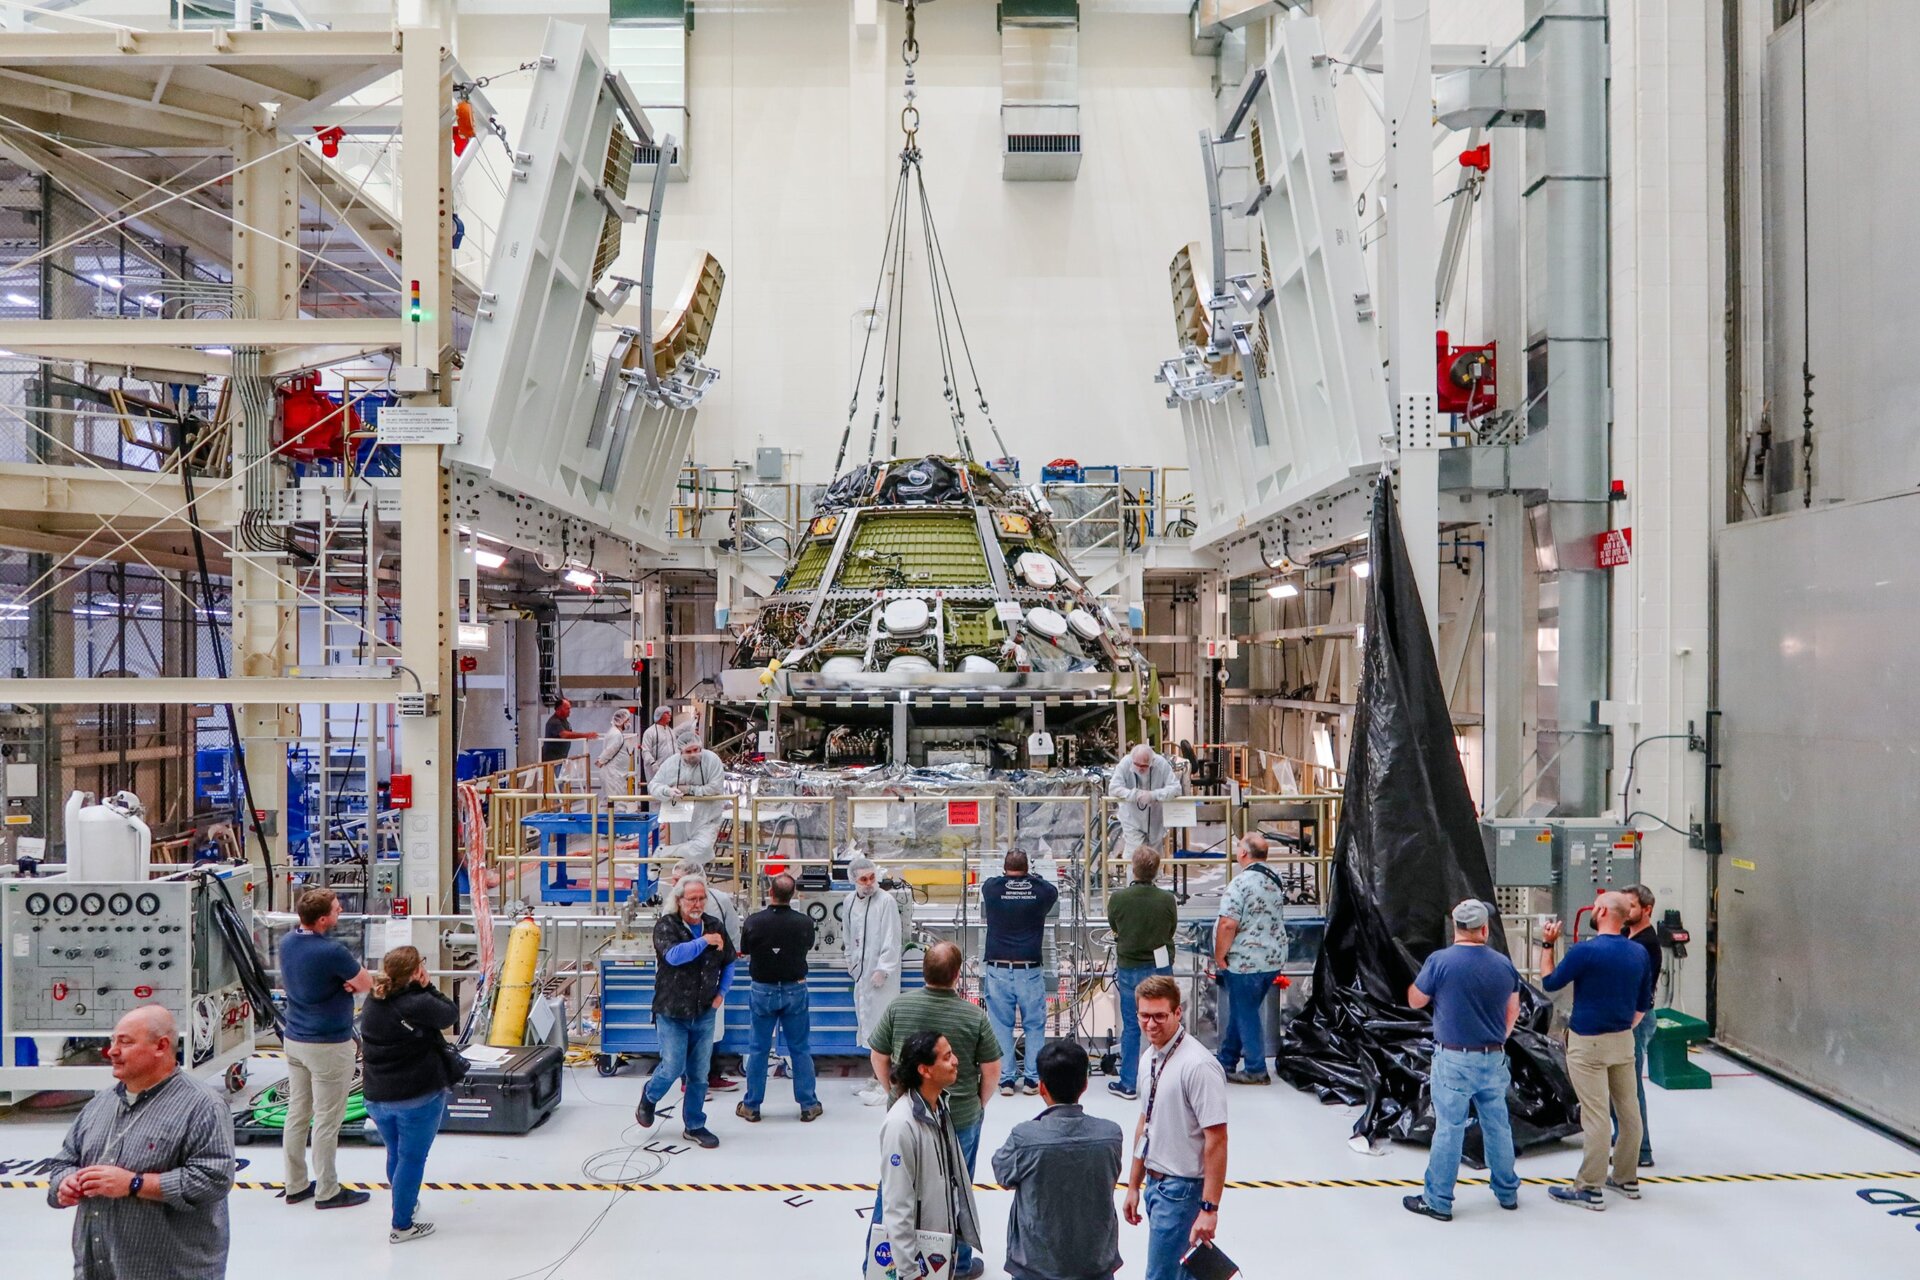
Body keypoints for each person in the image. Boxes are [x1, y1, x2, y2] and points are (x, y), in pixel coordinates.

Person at [46, 1006, 236, 1280]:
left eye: (125, 1042)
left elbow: (213, 1180)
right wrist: (65, 1183)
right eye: (113, 1041)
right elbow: (63, 1162)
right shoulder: (100, 1104)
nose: (112, 1051)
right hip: (98, 1271)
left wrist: (134, 1184)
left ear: (161, 1046)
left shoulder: (203, 1107)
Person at [1401, 900, 1522, 1221]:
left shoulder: (1440, 962)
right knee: (1498, 1126)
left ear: (1455, 927)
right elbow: (1513, 1010)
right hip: (1493, 1057)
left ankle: (1438, 1200)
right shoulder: (1503, 964)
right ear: (1484, 929)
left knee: (1449, 1128)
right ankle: (1507, 1192)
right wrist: (1498, 1038)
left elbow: (1415, 1001)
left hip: (1454, 1059)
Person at [1538, 890, 1655, 1209]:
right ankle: (1626, 1177)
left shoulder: (1585, 952)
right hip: (1623, 1040)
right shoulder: (1638, 952)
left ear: (1602, 912)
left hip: (1588, 1042)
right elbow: (1643, 1003)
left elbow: (1550, 982)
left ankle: (1589, 1186)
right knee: (1629, 1111)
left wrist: (1547, 945)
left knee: (1596, 1115)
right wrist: (1622, 1027)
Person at [1122, 975, 1228, 1280]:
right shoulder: (1150, 1057)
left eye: (1159, 1016)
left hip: (1182, 1191)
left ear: (1178, 1012)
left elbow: (1217, 1140)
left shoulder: (1198, 1066)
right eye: (1144, 1016)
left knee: (1161, 1275)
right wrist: (1133, 1185)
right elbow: (1145, 1122)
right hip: (1155, 1185)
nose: (1151, 1024)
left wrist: (1209, 1208)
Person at [992, 1040, 1125, 1280]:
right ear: (1085, 1084)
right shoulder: (1110, 1135)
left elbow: (1002, 1174)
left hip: (1035, 1268)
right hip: (1095, 1265)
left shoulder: (1025, 1137)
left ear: (1042, 1087)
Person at [869, 941, 1002, 1174]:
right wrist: (976, 1104)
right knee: (957, 1183)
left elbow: (878, 1057)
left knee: (900, 1179)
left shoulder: (898, 1007)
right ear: (957, 975)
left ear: (924, 971)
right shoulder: (975, 1016)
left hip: (906, 1111)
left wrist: (895, 1091)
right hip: (959, 1114)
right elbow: (992, 1070)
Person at [359, 945, 459, 1244]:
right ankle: (402, 1225)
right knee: (412, 1159)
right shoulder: (418, 1002)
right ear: (416, 971)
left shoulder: (374, 998)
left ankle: (405, 1202)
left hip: (377, 1097)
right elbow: (449, 1014)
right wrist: (428, 987)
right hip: (416, 1097)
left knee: (396, 1152)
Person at [280, 887, 373, 1209]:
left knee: (297, 1113)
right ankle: (328, 1191)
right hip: (328, 1045)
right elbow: (365, 983)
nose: (340, 912)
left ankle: (295, 1185)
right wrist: (347, 984)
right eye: (336, 909)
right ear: (322, 920)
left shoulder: (287, 943)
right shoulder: (332, 952)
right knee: (327, 1120)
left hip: (295, 1040)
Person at [635, 873, 737, 1149]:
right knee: (672, 1066)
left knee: (699, 1074)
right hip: (672, 1012)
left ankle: (694, 1124)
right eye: (692, 899)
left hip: (704, 1012)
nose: (697, 904)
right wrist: (705, 941)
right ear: (679, 900)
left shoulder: (714, 925)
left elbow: (729, 961)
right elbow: (674, 956)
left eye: (702, 898)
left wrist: (721, 994)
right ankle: (650, 1096)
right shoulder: (666, 927)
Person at [873, 1031, 986, 1280]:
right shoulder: (901, 1125)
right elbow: (897, 1204)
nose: (955, 1061)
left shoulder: (938, 1107)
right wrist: (909, 1270)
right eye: (947, 1057)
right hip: (917, 1263)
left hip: (939, 1247)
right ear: (925, 1070)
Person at [736, 873, 823, 1123]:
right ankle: (808, 1104)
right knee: (800, 1048)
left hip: (762, 990)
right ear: (793, 895)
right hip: (795, 990)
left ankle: (751, 1106)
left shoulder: (753, 921)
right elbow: (808, 946)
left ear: (770, 893)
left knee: (758, 1049)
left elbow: (745, 949)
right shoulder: (804, 922)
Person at [981, 849, 1059, 1096]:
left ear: (1005, 868)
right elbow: (1051, 889)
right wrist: (1032, 878)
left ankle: (1006, 1079)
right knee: (1034, 1024)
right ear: (1027, 868)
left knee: (1000, 1026)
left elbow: (991, 881)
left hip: (998, 968)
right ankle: (1032, 1080)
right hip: (1029, 969)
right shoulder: (1040, 892)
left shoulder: (992, 889)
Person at [1211, 832, 1288, 1083]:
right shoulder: (1275, 879)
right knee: (1241, 1009)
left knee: (1246, 1014)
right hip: (1272, 958)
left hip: (1245, 961)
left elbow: (1228, 924)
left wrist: (1220, 955)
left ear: (1243, 853)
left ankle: (1256, 1069)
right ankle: (1226, 1060)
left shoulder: (1240, 884)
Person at [661, 856, 741, 1092]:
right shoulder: (671, 910)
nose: (673, 884)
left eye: (677, 879)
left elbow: (732, 934)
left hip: (710, 980)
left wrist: (723, 987)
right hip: (681, 984)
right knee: (686, 1034)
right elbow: (670, 950)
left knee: (710, 1032)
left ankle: (711, 1076)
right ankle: (689, 1083)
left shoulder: (719, 901)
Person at [1106, 846, 1178, 1100]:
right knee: (1164, 1023)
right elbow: (1171, 929)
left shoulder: (1118, 899)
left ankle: (1128, 1082)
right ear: (1156, 870)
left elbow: (1114, 926)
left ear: (1132, 868)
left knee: (1132, 1025)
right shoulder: (1167, 899)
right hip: (1160, 967)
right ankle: (1167, 1081)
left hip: (1130, 967)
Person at [845, 854, 904, 1106]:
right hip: (861, 974)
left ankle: (886, 1084)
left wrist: (883, 969)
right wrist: (851, 962)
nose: (869, 883)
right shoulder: (849, 901)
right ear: (853, 880)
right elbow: (848, 935)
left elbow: (892, 938)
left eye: (872, 877)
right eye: (863, 879)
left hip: (882, 977)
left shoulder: (886, 901)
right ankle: (875, 1076)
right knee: (867, 1024)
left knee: (883, 1027)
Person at [1619, 884, 1661, 1168]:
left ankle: (1641, 1149)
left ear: (1647, 909)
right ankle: (1624, 1138)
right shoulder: (1625, 935)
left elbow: (1639, 990)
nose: (1625, 911)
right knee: (1618, 1086)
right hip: (1623, 1016)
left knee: (1630, 1086)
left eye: (1631, 906)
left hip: (1637, 1018)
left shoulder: (1647, 944)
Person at [648, 727, 729, 867]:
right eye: (688, 752)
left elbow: (715, 788)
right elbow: (653, 785)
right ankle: (689, 881)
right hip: (679, 819)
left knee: (703, 849)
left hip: (706, 818)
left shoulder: (711, 760)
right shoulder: (671, 764)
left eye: (696, 750)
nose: (693, 754)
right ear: (680, 752)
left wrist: (690, 790)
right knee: (683, 862)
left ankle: (664, 852)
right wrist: (667, 791)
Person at [1108, 743, 1181, 856]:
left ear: (1151, 762)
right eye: (1137, 765)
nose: (1140, 769)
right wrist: (1134, 795)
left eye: (1144, 766)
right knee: (1135, 854)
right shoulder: (1126, 763)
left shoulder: (1161, 764)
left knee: (1154, 855)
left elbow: (1176, 788)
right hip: (1131, 818)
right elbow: (1113, 788)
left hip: (1155, 819)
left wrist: (1154, 795)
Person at [594, 707, 639, 801]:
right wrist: (600, 761)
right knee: (618, 803)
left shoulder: (616, 733)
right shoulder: (616, 734)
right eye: (627, 720)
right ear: (621, 721)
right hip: (613, 775)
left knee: (616, 802)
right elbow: (610, 750)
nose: (629, 723)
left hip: (616, 774)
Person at [540, 696, 596, 764]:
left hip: (560, 759)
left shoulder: (564, 720)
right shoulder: (554, 722)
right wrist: (585, 735)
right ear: (559, 709)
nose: (569, 711)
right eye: (567, 709)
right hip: (551, 760)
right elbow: (565, 735)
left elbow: (569, 733)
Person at [638, 704, 677, 788]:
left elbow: (675, 748)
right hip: (655, 770)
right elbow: (645, 751)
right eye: (667, 713)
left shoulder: (670, 731)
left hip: (671, 770)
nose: (670, 715)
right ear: (660, 716)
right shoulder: (650, 732)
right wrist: (653, 765)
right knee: (656, 792)